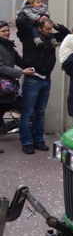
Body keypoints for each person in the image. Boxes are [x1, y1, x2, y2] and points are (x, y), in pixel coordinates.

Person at [19, 17, 69, 154]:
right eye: (46, 29)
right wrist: (36, 21)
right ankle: (27, 142)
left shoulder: (51, 37)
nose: (49, 31)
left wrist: (56, 25)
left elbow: (67, 35)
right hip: (33, 78)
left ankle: (38, 140)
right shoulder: (30, 37)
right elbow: (21, 23)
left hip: (46, 79)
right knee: (28, 112)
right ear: (39, 28)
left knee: (40, 112)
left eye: (50, 29)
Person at [0, 21, 35, 150]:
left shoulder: (8, 46)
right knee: (23, 109)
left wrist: (34, 66)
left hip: (7, 89)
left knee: (23, 110)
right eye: (3, 31)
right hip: (3, 88)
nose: (7, 33)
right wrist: (21, 72)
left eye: (7, 30)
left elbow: (21, 61)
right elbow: (1, 67)